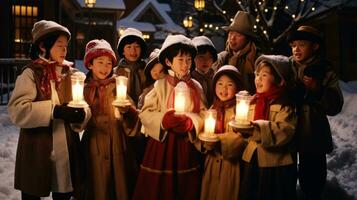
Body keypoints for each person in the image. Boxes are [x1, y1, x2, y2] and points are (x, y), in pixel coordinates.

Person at [7, 20, 91, 200]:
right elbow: (17, 109)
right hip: (36, 146)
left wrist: (82, 114)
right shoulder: (31, 74)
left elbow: (82, 103)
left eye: (66, 46)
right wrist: (54, 111)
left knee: (63, 189)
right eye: (59, 45)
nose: (64, 50)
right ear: (44, 47)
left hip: (65, 146)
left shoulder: (71, 74)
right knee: (34, 188)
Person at [133, 35, 206, 200]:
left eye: (188, 59)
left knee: (184, 186)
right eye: (180, 59)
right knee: (159, 188)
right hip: (162, 146)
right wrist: (163, 121)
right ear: (168, 62)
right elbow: (145, 113)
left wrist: (192, 122)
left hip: (185, 145)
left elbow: (204, 113)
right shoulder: (160, 85)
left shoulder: (196, 87)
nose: (185, 64)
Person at [287, 25, 344, 200]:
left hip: (312, 132)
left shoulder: (324, 71)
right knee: (286, 174)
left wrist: (318, 90)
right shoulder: (286, 66)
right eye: (294, 45)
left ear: (315, 46)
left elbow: (335, 106)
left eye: (302, 44)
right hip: (286, 129)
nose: (296, 49)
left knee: (312, 178)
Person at [80, 39, 139, 200]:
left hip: (118, 142)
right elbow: (78, 122)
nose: (105, 68)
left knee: (119, 183)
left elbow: (133, 114)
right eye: (100, 62)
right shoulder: (84, 89)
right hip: (94, 143)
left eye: (108, 64)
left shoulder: (117, 86)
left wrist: (127, 111)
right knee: (98, 184)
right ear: (90, 64)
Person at [239, 55, 297, 200]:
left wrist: (258, 129)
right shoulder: (253, 102)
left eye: (264, 75)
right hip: (252, 159)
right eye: (257, 74)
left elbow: (285, 130)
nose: (258, 79)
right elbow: (244, 123)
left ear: (279, 79)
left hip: (275, 163)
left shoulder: (284, 104)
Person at [200, 65, 245, 200]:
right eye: (219, 84)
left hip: (231, 165)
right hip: (212, 161)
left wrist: (219, 140)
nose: (223, 89)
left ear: (237, 88)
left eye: (229, 85)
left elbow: (243, 137)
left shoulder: (240, 110)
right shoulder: (213, 108)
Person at [214, 10, 259, 94]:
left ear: (247, 39)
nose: (232, 38)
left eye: (238, 35)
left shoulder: (256, 60)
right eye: (231, 33)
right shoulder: (222, 58)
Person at [114, 27, 147, 105]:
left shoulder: (147, 71)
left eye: (137, 47)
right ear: (123, 51)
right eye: (129, 47)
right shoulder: (116, 73)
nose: (133, 51)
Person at [191, 36, 218, 107]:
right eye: (201, 57)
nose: (206, 61)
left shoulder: (216, 78)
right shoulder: (189, 79)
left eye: (210, 57)